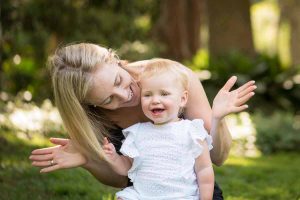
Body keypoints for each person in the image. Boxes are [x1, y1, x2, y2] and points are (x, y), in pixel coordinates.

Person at [29, 43, 256, 199]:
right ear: (92, 104)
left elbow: (218, 157)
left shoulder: (170, 76)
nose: (124, 96)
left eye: (119, 80)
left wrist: (218, 118)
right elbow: (122, 178)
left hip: (189, 191)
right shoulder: (93, 114)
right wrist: (89, 159)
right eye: (108, 99)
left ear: (115, 60)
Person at [103, 59, 214, 200]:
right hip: (142, 195)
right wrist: (114, 158)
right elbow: (127, 168)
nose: (155, 100)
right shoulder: (137, 132)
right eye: (148, 95)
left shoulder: (191, 131)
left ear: (182, 99)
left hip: (181, 195)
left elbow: (204, 169)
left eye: (164, 94)